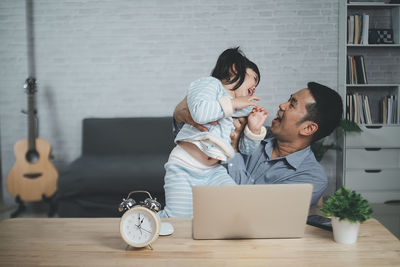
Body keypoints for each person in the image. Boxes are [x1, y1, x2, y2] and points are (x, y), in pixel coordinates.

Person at [173, 82, 343, 207]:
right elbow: (189, 131)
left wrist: (233, 150)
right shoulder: (252, 131)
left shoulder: (311, 178)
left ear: (308, 128)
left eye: (291, 105)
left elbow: (254, 210)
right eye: (288, 100)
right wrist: (180, 113)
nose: (281, 105)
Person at [159, 47, 268, 218]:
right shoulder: (209, 84)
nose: (255, 86)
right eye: (253, 79)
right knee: (178, 218)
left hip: (214, 171)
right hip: (184, 166)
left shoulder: (239, 110)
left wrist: (254, 129)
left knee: (238, 204)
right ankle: (144, 221)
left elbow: (245, 150)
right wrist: (233, 104)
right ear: (234, 69)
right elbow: (200, 113)